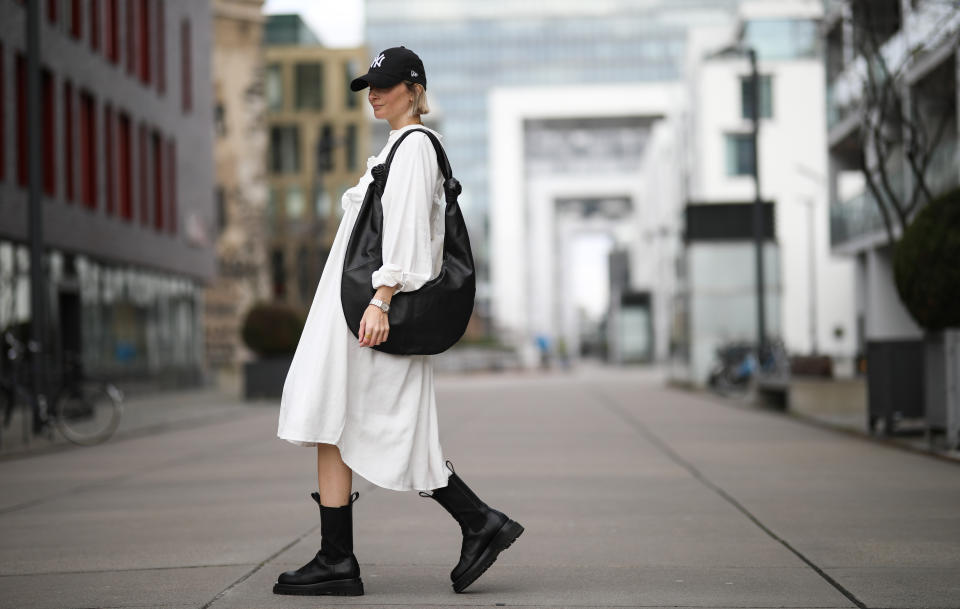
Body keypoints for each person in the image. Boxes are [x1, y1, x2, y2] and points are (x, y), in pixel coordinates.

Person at [272, 46, 523, 597]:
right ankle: (344, 556)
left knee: (378, 424)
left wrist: (382, 301)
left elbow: (407, 234)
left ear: (414, 88)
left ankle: (473, 523)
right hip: (351, 310)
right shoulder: (393, 149)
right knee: (331, 418)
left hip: (367, 311)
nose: (375, 93)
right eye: (370, 86)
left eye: (385, 84)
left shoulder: (414, 147)